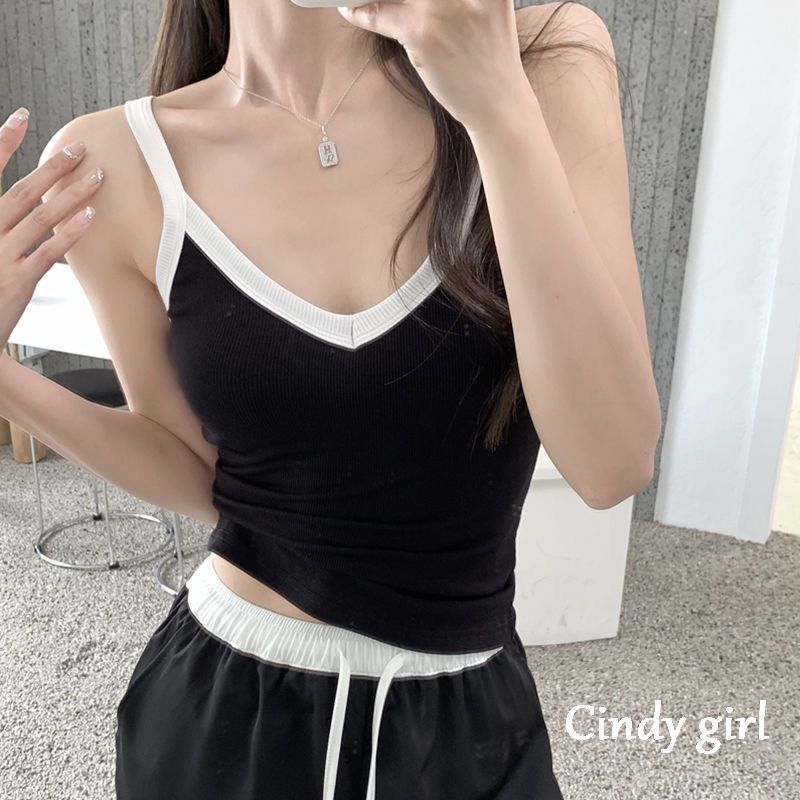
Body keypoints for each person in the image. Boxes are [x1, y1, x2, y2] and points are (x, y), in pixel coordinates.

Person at [0, 1, 662, 797]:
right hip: (221, 715)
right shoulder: (115, 158)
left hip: (469, 722)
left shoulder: (543, 59)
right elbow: (199, 471)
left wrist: (498, 110)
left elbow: (612, 463)